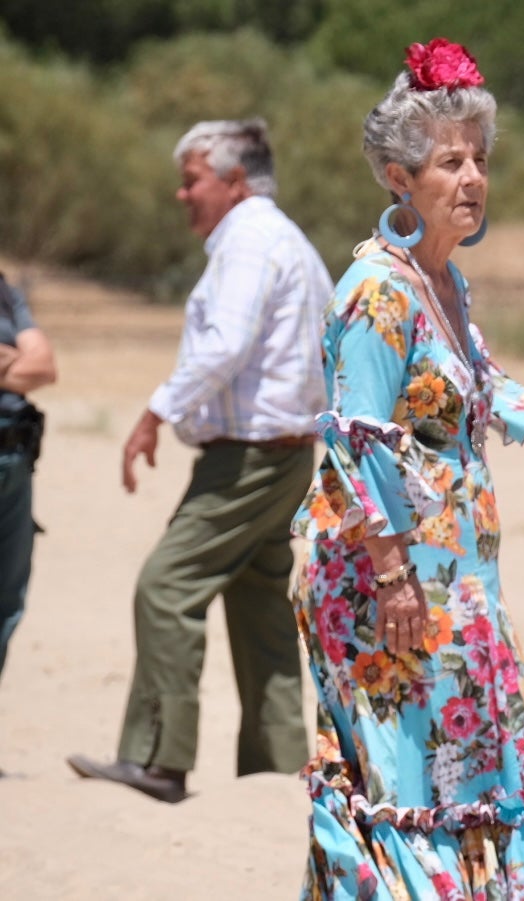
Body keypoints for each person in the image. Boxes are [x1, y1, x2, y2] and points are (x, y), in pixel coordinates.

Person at [287, 39, 524, 899]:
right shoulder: (375, 290)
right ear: (398, 177)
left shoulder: (447, 284)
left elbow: (447, 394)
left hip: (456, 576)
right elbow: (356, 439)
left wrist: (512, 399)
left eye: (480, 159)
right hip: (383, 580)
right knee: (411, 775)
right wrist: (391, 573)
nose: (471, 177)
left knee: (485, 756)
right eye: (447, 161)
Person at [67, 119, 330, 803]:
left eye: (191, 180)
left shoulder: (248, 243)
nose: (182, 195)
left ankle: (157, 758)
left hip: (245, 462)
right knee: (258, 603)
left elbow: (224, 344)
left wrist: (154, 411)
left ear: (234, 181)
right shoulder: (289, 240)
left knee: (165, 586)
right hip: (289, 455)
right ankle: (278, 765)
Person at [0, 270, 57, 739]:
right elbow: (27, 364)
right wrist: (13, 363)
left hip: (15, 460)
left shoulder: (5, 290)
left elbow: (44, 367)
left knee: (7, 600)